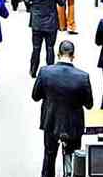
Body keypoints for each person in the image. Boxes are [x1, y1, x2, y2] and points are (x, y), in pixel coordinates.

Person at [31, 40, 93, 177]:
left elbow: (35, 96)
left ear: (58, 54)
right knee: (73, 158)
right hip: (74, 125)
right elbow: (89, 104)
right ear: (73, 56)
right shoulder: (83, 77)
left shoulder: (45, 72)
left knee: (49, 156)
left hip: (51, 122)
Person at [24, 0, 66, 78]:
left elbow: (27, 2)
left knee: (36, 48)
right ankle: (50, 71)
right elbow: (62, 3)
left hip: (37, 23)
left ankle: (33, 71)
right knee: (50, 47)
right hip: (51, 23)